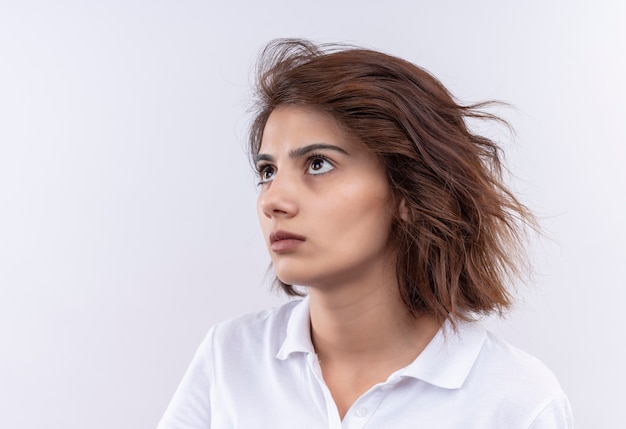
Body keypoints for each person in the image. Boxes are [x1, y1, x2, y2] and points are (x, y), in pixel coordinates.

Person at [157, 39, 573, 428]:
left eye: (318, 164)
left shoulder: (516, 401)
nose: (273, 201)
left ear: (410, 193)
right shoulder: (230, 357)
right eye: (268, 171)